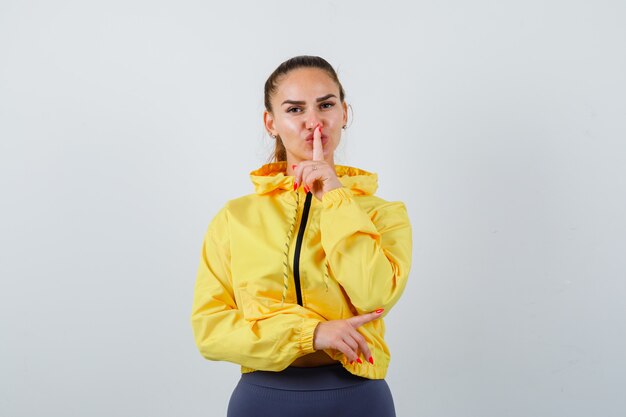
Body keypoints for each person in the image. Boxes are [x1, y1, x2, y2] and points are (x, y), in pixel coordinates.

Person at [190, 55, 412, 417]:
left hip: (356, 397)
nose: (314, 122)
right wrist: (312, 334)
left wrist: (337, 198)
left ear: (344, 114)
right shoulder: (235, 217)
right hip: (262, 399)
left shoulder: (384, 214)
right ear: (271, 122)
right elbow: (210, 331)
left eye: (326, 104)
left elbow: (374, 294)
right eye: (295, 109)